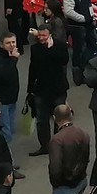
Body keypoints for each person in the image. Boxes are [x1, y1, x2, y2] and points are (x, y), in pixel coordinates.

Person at [25, 23, 72, 155]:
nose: (41, 38)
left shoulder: (60, 46)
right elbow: (32, 68)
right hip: (41, 89)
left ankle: (58, 143)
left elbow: (63, 61)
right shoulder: (35, 48)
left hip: (58, 88)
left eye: (44, 35)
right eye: (39, 35)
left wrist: (50, 50)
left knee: (60, 118)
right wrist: (30, 88)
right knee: (41, 119)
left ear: (50, 34)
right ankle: (45, 146)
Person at [59, 0, 97, 66]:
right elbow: (68, 11)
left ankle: (89, 67)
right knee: (80, 50)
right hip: (78, 27)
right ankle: (78, 69)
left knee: (92, 46)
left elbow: (88, 4)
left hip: (88, 25)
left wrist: (92, 15)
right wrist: (83, 19)